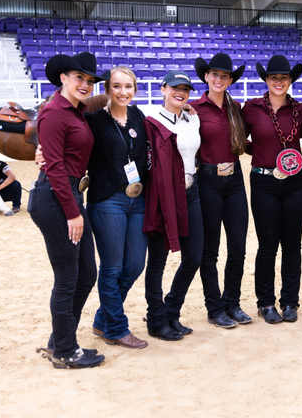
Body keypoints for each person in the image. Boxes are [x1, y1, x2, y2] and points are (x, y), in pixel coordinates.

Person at [35, 66, 150, 350]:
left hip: (137, 200)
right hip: (107, 199)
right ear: (108, 90)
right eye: (117, 86)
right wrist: (41, 154)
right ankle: (115, 327)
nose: (123, 92)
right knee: (111, 268)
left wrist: (190, 111)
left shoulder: (139, 117)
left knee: (135, 265)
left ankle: (102, 319)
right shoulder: (93, 120)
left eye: (128, 86)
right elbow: (63, 145)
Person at [29, 52, 106, 369]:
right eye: (79, 78)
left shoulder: (76, 110)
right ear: (63, 78)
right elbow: (57, 168)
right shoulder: (54, 113)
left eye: (89, 80)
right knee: (67, 278)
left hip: (70, 196)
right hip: (57, 197)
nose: (85, 84)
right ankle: (64, 350)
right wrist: (73, 211)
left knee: (87, 273)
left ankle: (60, 340)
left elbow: (104, 99)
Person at [242, 55, 302, 324]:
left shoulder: (301, 110)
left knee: (292, 245)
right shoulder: (251, 108)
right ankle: (266, 303)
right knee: (267, 245)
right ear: (266, 80)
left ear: (290, 80)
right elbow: (236, 138)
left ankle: (290, 301)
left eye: (283, 77)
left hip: (294, 182)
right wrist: (259, 153)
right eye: (273, 77)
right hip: (264, 182)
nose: (278, 82)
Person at [191, 54, 251, 329]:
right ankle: (214, 307)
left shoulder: (235, 107)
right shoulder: (193, 109)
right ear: (206, 76)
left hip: (235, 178)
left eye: (225, 76)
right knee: (210, 249)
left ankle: (232, 302)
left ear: (230, 81)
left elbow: (247, 141)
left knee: (238, 245)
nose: (219, 79)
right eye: (214, 74)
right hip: (207, 179)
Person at [143, 70, 203, 341]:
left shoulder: (192, 117)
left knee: (193, 257)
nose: (181, 92)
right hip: (164, 193)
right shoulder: (151, 120)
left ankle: (171, 311)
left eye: (186, 89)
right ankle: (156, 319)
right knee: (157, 261)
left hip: (191, 190)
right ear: (163, 88)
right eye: (175, 88)